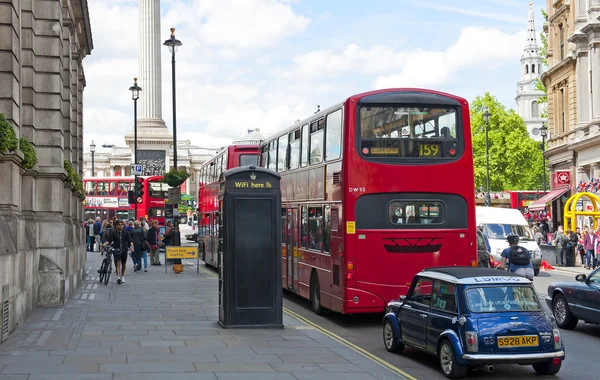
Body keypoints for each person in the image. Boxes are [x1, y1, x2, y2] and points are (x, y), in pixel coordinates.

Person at [106, 220, 133, 284]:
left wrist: (132, 246)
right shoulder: (113, 232)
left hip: (124, 250)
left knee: (123, 264)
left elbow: (130, 241)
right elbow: (109, 241)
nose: (121, 226)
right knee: (117, 263)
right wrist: (104, 244)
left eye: (122, 225)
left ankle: (122, 276)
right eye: (119, 224)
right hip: (116, 250)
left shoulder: (126, 233)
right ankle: (118, 277)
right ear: (116, 225)